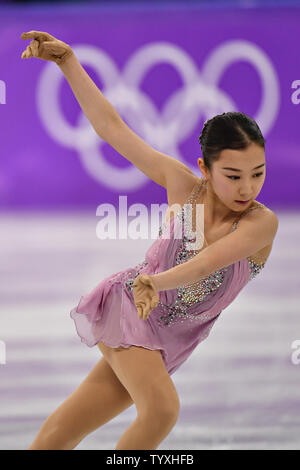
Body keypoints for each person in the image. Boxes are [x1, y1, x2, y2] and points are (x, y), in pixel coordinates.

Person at [20, 31, 279, 451]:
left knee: (58, 436)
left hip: (171, 339)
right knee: (161, 411)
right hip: (128, 310)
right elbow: (111, 128)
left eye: (258, 172)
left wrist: (157, 283)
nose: (247, 187)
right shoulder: (182, 185)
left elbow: (211, 261)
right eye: (233, 175)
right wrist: (67, 60)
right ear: (205, 168)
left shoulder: (260, 224)